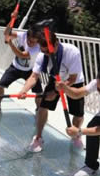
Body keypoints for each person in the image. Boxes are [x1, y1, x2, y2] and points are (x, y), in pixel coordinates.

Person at [17, 22, 85, 152]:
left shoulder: (72, 51)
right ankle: (38, 137)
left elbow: (72, 78)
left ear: (57, 43)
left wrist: (55, 93)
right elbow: (34, 76)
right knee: (42, 107)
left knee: (78, 113)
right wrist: (24, 90)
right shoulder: (42, 56)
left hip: (74, 82)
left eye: (48, 51)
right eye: (43, 51)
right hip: (55, 79)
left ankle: (76, 136)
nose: (46, 54)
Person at [0, 22, 42, 119]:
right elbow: (6, 33)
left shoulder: (38, 47)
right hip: (15, 67)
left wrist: (10, 43)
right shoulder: (23, 35)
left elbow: (22, 55)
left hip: (30, 71)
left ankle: (39, 110)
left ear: (38, 41)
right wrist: (12, 20)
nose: (30, 43)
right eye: (29, 40)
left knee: (39, 92)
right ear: (27, 36)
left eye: (33, 42)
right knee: (1, 85)